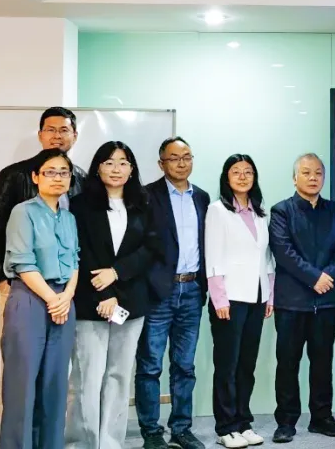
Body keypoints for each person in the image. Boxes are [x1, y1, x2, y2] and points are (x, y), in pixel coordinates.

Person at [67, 142, 160, 449]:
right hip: (91, 302)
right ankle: (83, 442)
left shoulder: (144, 203)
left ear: (132, 169)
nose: (116, 169)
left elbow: (151, 248)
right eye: (109, 162)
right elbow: (81, 251)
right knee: (88, 377)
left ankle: (110, 442)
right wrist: (105, 294)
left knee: (119, 375)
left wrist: (117, 274)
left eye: (123, 163)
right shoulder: (80, 205)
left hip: (131, 302)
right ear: (98, 168)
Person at [0, 107, 86, 367]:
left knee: (57, 367)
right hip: (23, 288)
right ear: (40, 135)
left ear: (74, 136)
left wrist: (70, 290)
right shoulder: (15, 175)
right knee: (21, 366)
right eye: (50, 130)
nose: (57, 136)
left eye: (64, 130)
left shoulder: (81, 178)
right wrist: (2, 280)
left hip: (65, 290)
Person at [0, 148, 79, 449]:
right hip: (30, 299)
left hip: (63, 301)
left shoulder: (68, 218)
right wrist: (52, 299)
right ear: (35, 177)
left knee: (55, 387)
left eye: (64, 172)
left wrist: (67, 296)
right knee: (22, 387)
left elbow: (75, 261)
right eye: (50, 172)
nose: (58, 178)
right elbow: (23, 262)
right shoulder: (23, 212)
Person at [270, 153, 335, 444]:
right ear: (295, 178)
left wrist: (328, 276)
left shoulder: (334, 211)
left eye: (318, 173)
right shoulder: (281, 211)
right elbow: (283, 252)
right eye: (306, 173)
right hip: (291, 303)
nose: (313, 178)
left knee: (322, 362)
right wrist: (314, 277)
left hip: (325, 302)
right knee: (287, 364)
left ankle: (322, 417)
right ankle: (286, 421)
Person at [136, 137, 210, 449]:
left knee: (185, 366)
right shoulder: (145, 196)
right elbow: (138, 243)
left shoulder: (202, 197)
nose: (181, 163)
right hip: (158, 292)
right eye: (174, 158)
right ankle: (151, 433)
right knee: (150, 365)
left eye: (187, 157)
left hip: (192, 289)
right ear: (161, 163)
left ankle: (181, 428)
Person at [206, 154, 276, 448]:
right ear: (227, 177)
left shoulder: (260, 213)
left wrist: (269, 294)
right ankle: (226, 428)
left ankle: (243, 422)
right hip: (229, 299)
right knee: (227, 365)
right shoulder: (217, 210)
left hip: (257, 296)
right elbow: (213, 257)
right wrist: (219, 299)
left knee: (247, 365)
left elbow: (267, 258)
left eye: (248, 172)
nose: (243, 176)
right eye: (236, 172)